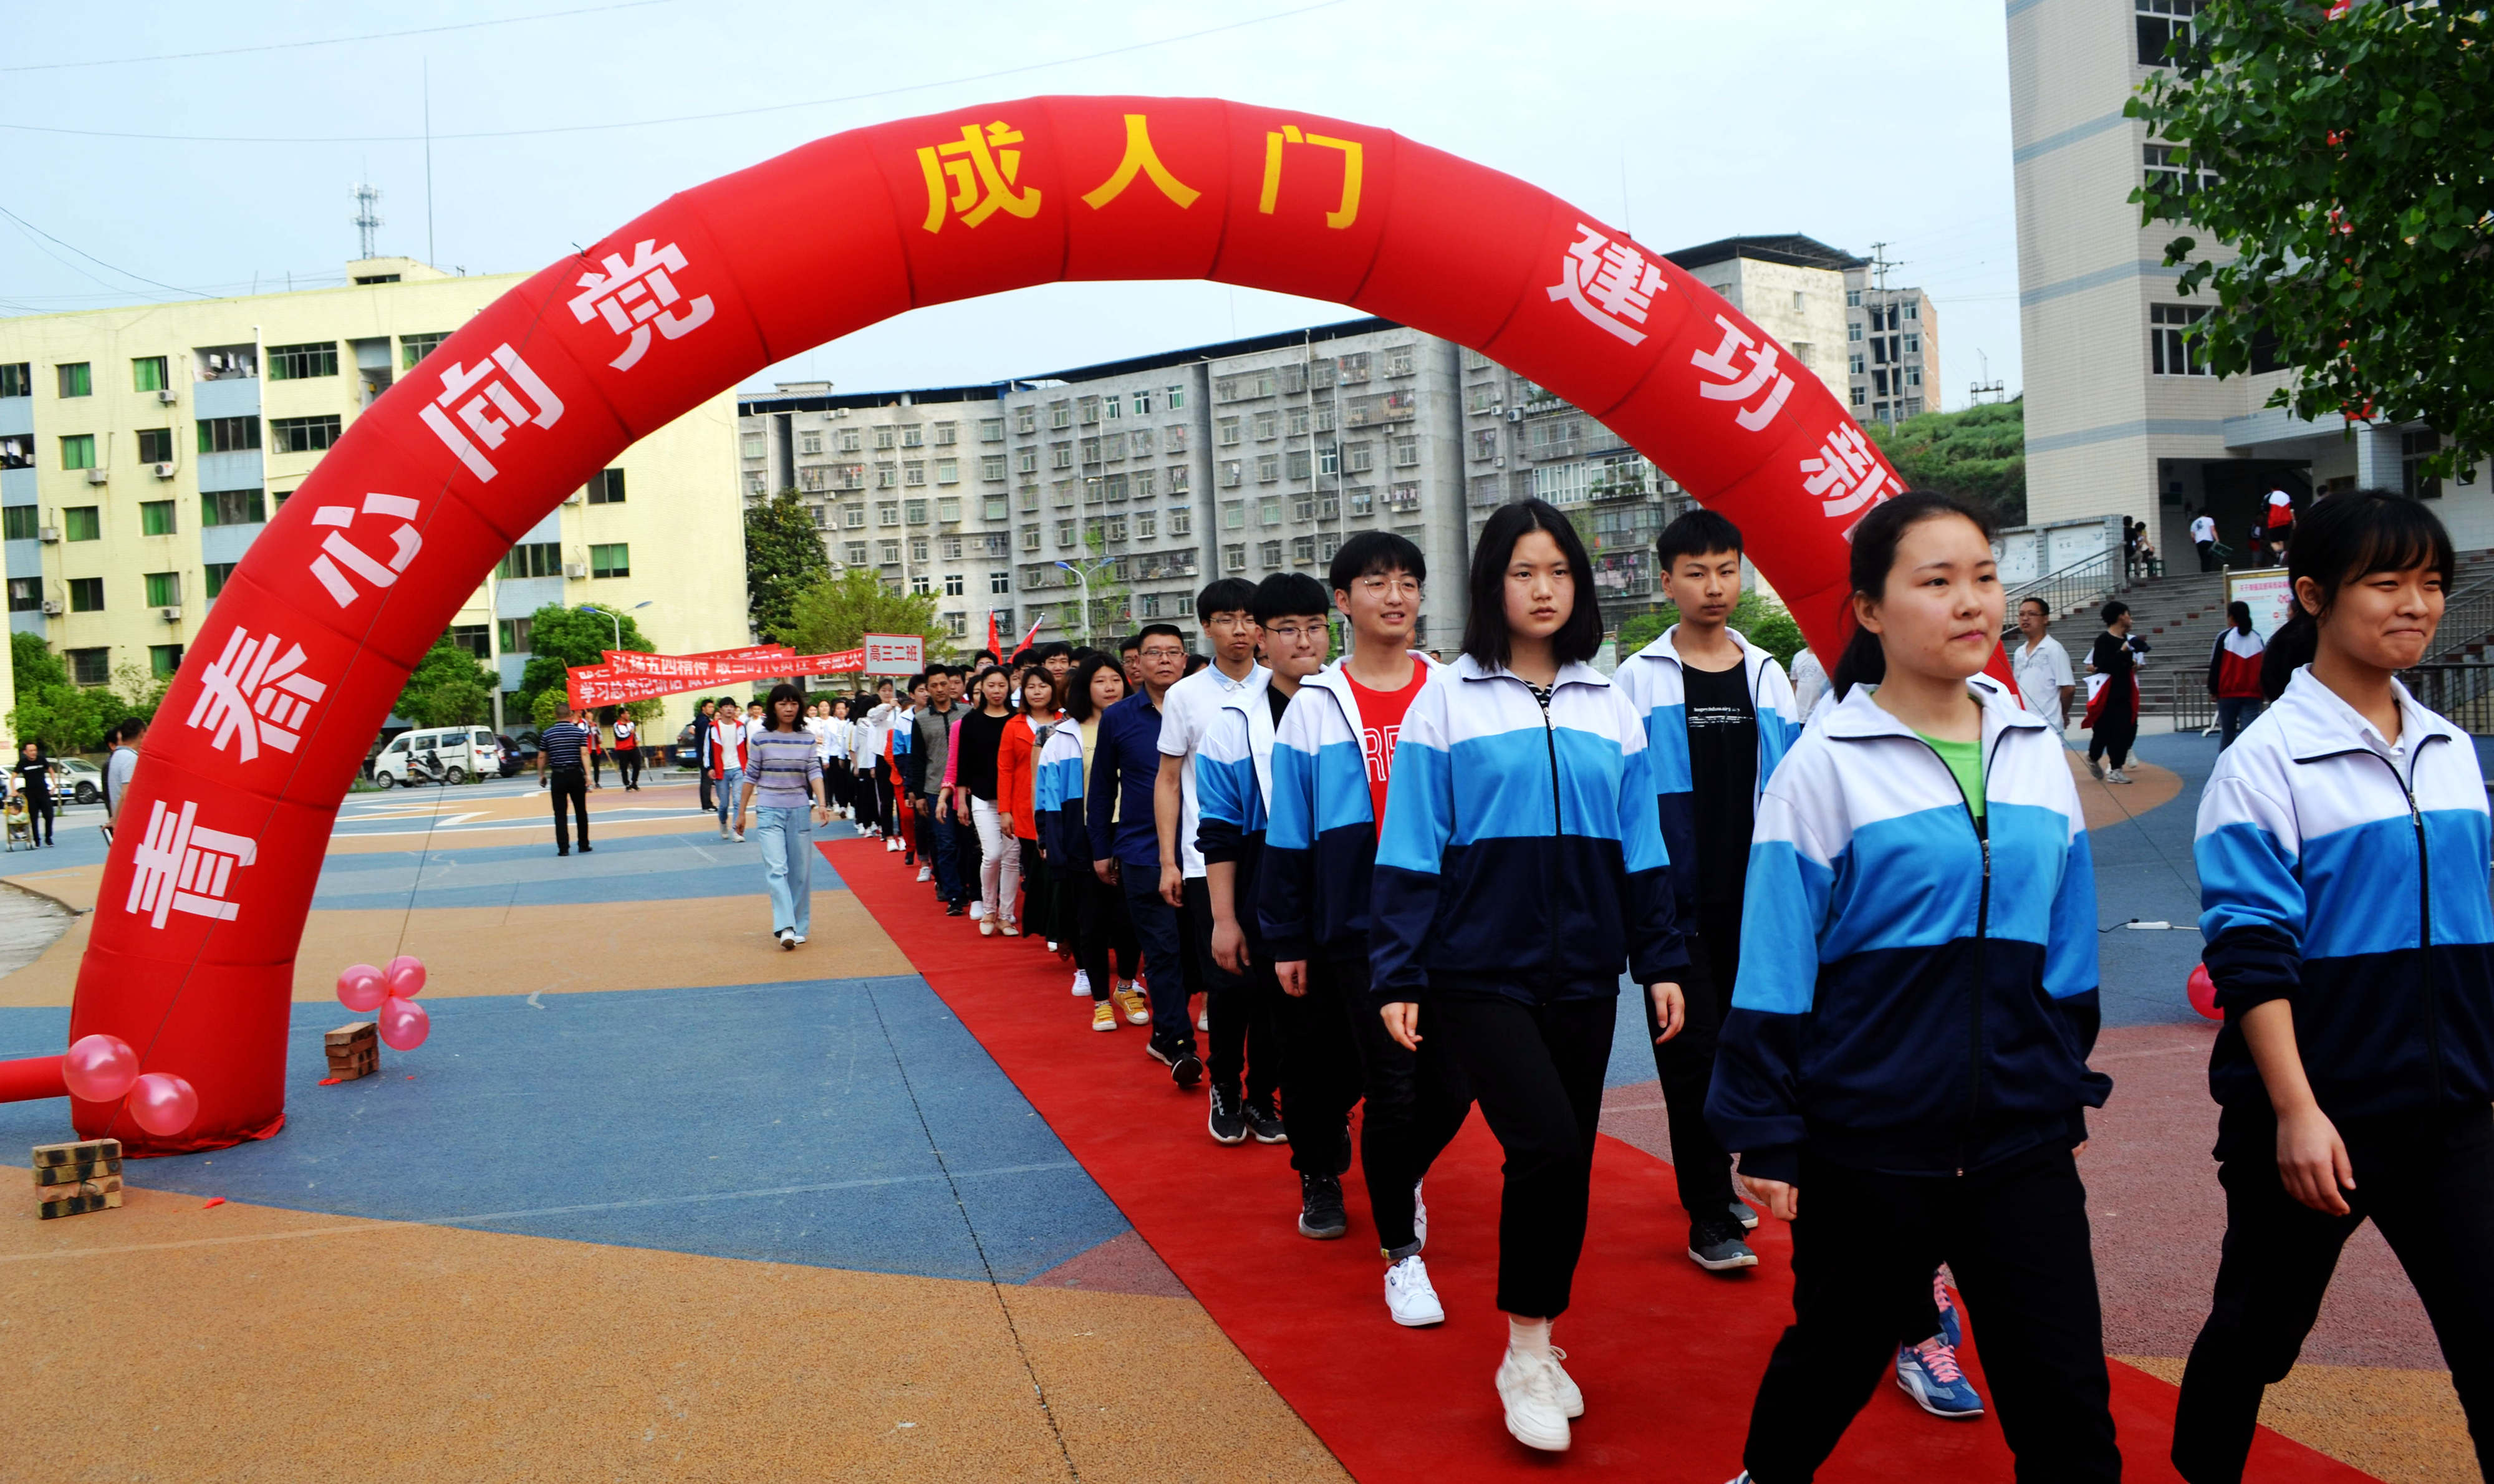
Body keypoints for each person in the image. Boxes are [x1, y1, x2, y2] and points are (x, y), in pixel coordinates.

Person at [1707, 491, 2117, 1484]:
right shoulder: (1824, 769)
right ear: (1873, 612)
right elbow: (1773, 962)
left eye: (1983, 576)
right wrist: (1767, 1128)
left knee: (2067, 1406)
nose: (1971, 602)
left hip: (2021, 1140)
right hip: (1870, 1147)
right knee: (1834, 1359)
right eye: (1937, 583)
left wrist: (2055, 1076)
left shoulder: (2032, 754)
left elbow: (2070, 949)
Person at [2174, 490, 2494, 1484]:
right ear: (2313, 595)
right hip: (2318, 1123)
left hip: (2452, 1116)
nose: (2417, 604)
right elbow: (2250, 954)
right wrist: (2298, 1114)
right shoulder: (2265, 763)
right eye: (2387, 582)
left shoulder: (2448, 750)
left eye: (2433, 583)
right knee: (2259, 1335)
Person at [1372, 501, 1684, 1453]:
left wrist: (1661, 958)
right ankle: (1522, 1351)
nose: (1542, 589)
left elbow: (1642, 842)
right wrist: (1398, 970)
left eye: (1558, 571)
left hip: (1586, 974)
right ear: (1490, 588)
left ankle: (1543, 1343)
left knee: (1565, 1160)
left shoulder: (1609, 702)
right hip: (1477, 972)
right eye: (1522, 572)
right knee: (1545, 1144)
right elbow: (1412, 840)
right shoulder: (1448, 700)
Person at [1264, 531, 1470, 1316]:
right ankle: (1401, 1255)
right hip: (1358, 925)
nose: (1396, 595)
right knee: (1392, 1085)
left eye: (1408, 581)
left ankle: (1394, 1174)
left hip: (1448, 919)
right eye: (1377, 582)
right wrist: (1286, 934)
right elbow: (1289, 831)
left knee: (1457, 1082)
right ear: (1343, 600)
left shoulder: (1451, 691)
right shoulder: (1316, 706)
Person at [1614, 508, 1801, 1274]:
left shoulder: (1768, 674)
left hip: (1758, 905)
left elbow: (1793, 788)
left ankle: (1748, 1174)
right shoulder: (1637, 678)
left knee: (1756, 1048)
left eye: (1727, 569)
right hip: (1675, 907)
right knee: (1689, 1057)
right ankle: (1709, 1212)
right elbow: (1629, 799)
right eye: (1696, 572)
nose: (1714, 586)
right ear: (1667, 582)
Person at [1199, 574, 1349, 1209]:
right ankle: (1318, 1171)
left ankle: (1340, 1126)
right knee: (1300, 1041)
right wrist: (1224, 918)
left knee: (1366, 1038)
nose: (1304, 639)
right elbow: (1220, 833)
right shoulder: (1233, 723)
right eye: (1286, 628)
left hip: (1358, 886)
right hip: (1275, 895)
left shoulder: (1355, 700)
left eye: (1314, 625)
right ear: (1260, 639)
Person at [1158, 578, 1280, 1145]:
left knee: (1277, 984)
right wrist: (1169, 860)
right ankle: (1226, 1086)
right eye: (1227, 619)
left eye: (1250, 619)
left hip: (1278, 859)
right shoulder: (1187, 694)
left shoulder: (1285, 686)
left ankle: (1263, 1095)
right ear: (1206, 627)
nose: (1241, 630)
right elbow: (1168, 782)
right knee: (1229, 982)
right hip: (1211, 860)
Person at [1090, 625, 1200, 1082]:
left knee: (1197, 953)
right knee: (1163, 951)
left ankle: (1165, 1033)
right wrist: (1100, 848)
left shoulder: (1201, 706)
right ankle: (1178, 1044)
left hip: (1201, 849)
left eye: (1174, 652)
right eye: (1154, 653)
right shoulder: (1120, 717)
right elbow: (1101, 787)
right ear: (1137, 662)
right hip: (1141, 850)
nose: (1165, 660)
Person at [1041, 655, 1147, 1028]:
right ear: (1086, 688)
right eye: (1100, 681)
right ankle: (1101, 999)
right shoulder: (1064, 735)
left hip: (1134, 833)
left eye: (1115, 679)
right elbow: (1049, 797)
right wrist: (1054, 845)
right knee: (1091, 921)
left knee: (1130, 918)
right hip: (1084, 836)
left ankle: (1127, 985)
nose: (1109, 687)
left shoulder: (1141, 724)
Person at [738, 683, 830, 949]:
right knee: (777, 869)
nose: (789, 708)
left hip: (800, 809)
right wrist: (741, 812)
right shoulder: (760, 738)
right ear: (773, 708)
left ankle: (799, 927)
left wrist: (822, 803)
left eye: (793, 703)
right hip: (768, 810)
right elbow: (751, 775)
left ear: (799, 706)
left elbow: (814, 771)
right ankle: (785, 926)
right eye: (782, 704)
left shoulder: (807, 738)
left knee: (800, 873)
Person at [947, 666, 1023, 937]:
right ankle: (989, 908)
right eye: (991, 685)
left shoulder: (1018, 720)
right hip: (981, 797)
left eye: (1002, 685)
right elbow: (962, 764)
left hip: (1014, 800)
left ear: (1009, 687)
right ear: (982, 688)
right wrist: (962, 800)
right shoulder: (971, 721)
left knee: (1012, 858)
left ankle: (1006, 915)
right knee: (992, 855)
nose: (996, 691)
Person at [994, 669, 1059, 950]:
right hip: (1024, 807)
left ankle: (1059, 926)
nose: (1036, 691)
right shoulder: (1014, 725)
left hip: (1058, 804)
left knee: (1057, 868)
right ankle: (1044, 925)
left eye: (1043, 686)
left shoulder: (1066, 721)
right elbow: (1005, 769)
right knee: (1035, 868)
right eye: (1031, 686)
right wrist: (1005, 811)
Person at [912, 667, 968, 914]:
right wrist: (919, 795)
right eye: (934, 686)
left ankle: (969, 889)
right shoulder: (921, 720)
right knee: (945, 843)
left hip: (966, 788)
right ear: (927, 689)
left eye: (944, 684)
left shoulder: (967, 713)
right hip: (935, 789)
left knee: (967, 842)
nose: (940, 689)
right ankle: (952, 893)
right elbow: (917, 759)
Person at [2083, 600, 2143, 784]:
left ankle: (2116, 769)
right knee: (2102, 733)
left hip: (2125, 692)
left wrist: (2131, 662)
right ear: (2120, 617)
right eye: (2128, 614)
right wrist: (2122, 653)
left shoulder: (2127, 640)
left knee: (2125, 731)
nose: (2130, 619)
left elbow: (2125, 665)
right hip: (2107, 695)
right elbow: (2103, 665)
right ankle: (2093, 757)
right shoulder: (2104, 640)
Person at [2206, 600, 2267, 750]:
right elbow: (2263, 666)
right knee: (2249, 735)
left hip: (2228, 694)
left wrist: (2213, 690)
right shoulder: (2257, 638)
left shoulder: (2224, 637)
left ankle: (2225, 767)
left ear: (2232, 617)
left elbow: (2215, 665)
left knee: (2228, 735)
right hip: (2252, 694)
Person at [2013, 595, 2078, 738]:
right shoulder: (2019, 653)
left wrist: (2061, 713)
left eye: (2032, 614)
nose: (2025, 618)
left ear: (2045, 619)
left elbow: (2069, 689)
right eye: (2022, 614)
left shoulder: (2054, 649)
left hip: (2048, 729)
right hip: (2023, 726)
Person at [537, 708, 596, 857]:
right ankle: (584, 844)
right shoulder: (578, 732)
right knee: (581, 811)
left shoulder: (548, 734)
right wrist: (588, 775)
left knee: (560, 813)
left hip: (558, 775)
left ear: (555, 715)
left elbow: (542, 756)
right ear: (570, 715)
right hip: (576, 774)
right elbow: (584, 753)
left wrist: (541, 775)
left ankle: (563, 848)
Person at [709, 698, 749, 841]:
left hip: (738, 768)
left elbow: (745, 747)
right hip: (721, 770)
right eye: (726, 706)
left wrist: (748, 764)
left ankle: (736, 831)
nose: (729, 709)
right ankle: (723, 822)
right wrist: (710, 767)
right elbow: (707, 749)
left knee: (739, 801)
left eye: (732, 706)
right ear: (720, 710)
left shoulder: (740, 726)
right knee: (724, 804)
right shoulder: (713, 727)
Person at [11, 741, 53, 847]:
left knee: (49, 816)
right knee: (34, 818)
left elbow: (51, 772)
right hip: (31, 795)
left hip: (44, 793)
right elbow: (13, 777)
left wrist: (54, 786)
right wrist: (14, 790)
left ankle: (48, 838)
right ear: (25, 752)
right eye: (31, 751)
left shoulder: (42, 760)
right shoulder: (22, 763)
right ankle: (37, 840)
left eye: (35, 750)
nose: (34, 753)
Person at [103, 716, 142, 826]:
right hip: (129, 823)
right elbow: (125, 795)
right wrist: (116, 822)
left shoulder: (116, 756)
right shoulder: (130, 758)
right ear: (141, 733)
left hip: (121, 820)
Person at [1788, 645, 1829, 723]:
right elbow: (1794, 683)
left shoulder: (1826, 655)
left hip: (1819, 713)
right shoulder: (1798, 656)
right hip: (1799, 713)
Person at [693, 698, 719, 814]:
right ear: (703, 708)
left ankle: (707, 804)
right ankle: (707, 805)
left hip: (703, 754)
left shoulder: (702, 719)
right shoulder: (703, 721)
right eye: (709, 707)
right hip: (705, 755)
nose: (712, 709)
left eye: (713, 707)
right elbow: (706, 739)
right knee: (706, 780)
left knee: (706, 780)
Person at [612, 711, 642, 791]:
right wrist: (629, 733)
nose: (628, 715)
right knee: (624, 768)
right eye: (626, 713)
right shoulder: (617, 725)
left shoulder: (631, 724)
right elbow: (619, 736)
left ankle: (634, 782)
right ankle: (627, 784)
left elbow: (635, 733)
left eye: (629, 713)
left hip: (633, 748)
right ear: (622, 715)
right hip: (622, 749)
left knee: (637, 765)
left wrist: (637, 739)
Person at [2263, 484, 2295, 552]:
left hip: (2274, 524)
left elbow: (2265, 511)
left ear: (2271, 488)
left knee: (2273, 542)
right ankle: (2284, 556)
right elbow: (2291, 510)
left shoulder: (2269, 496)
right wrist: (2294, 521)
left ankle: (2281, 555)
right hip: (2285, 523)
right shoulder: (2286, 496)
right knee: (2283, 541)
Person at [2192, 508, 2220, 572]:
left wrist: (2195, 540)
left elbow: (2193, 536)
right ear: (2206, 513)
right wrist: (2217, 539)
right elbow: (2213, 530)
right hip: (2208, 541)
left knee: (2202, 558)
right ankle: (2209, 571)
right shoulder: (2209, 520)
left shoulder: (2194, 523)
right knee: (2209, 557)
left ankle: (2204, 572)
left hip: (2199, 542)